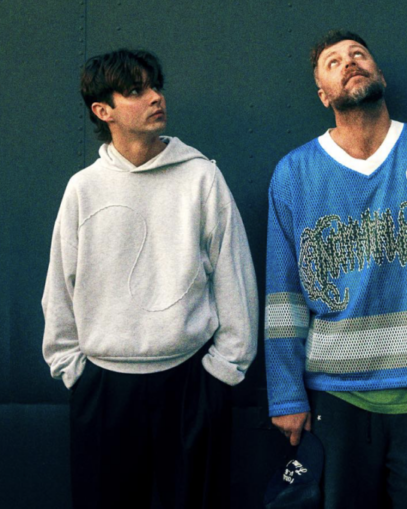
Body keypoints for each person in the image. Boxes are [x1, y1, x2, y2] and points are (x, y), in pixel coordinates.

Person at [265, 30, 407, 508]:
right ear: (323, 95)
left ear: (379, 74)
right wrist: (286, 394)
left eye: (358, 55)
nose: (349, 62)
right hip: (334, 397)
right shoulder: (294, 173)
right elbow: (283, 297)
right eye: (333, 61)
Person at [42, 49, 259, 509]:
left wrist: (222, 372)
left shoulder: (201, 178)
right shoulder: (83, 188)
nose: (156, 97)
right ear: (103, 110)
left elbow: (233, 275)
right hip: (103, 389)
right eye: (136, 90)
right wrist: (73, 369)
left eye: (155, 86)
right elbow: (59, 287)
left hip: (190, 383)